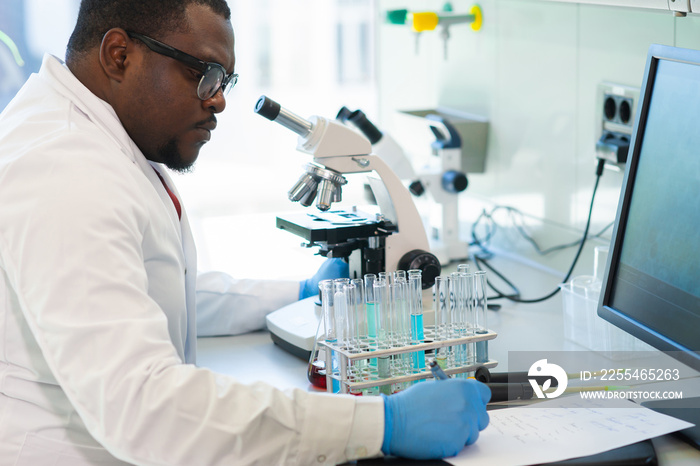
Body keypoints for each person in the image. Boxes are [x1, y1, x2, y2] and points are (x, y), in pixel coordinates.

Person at [0, 1, 491, 465]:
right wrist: (382, 423)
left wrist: (299, 293)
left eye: (225, 80)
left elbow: (149, 289)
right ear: (119, 55)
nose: (218, 100)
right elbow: (145, 407)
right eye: (204, 73)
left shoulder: (97, 140)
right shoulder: (67, 172)